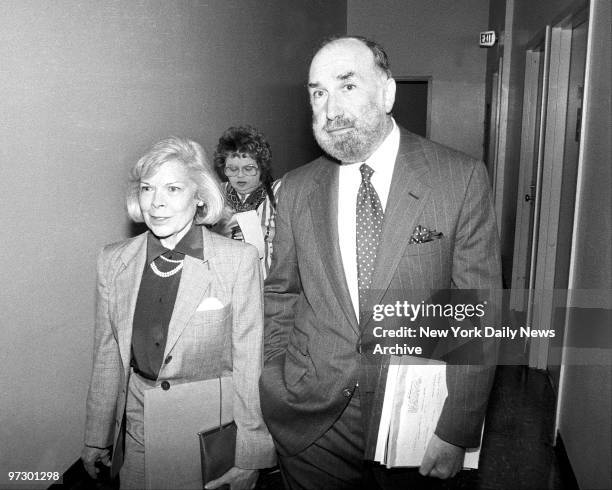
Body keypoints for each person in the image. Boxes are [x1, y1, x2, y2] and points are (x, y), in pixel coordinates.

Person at [259, 36, 502, 489]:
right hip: (312, 423)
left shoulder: (459, 178)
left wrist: (457, 430)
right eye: (317, 92)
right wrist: (277, 375)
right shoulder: (294, 189)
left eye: (347, 86)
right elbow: (281, 294)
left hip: (415, 421)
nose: (330, 110)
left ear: (388, 92)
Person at [81, 137, 275, 489]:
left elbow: (249, 365)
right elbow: (107, 356)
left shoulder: (237, 261)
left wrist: (250, 456)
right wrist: (97, 435)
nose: (156, 202)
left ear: (199, 195)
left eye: (172, 188)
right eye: (147, 188)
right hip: (138, 426)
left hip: (209, 430)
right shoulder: (112, 260)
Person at [212, 125, 281, 279]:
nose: (240, 175)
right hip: (225, 282)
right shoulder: (216, 194)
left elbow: (301, 240)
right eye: (232, 169)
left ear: (262, 167)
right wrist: (219, 230)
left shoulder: (279, 192)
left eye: (249, 168)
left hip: (268, 284)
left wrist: (265, 232)